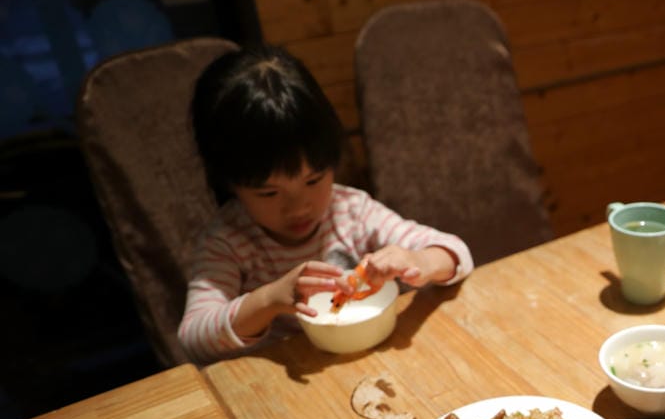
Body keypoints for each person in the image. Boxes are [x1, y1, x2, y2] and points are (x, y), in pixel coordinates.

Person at [178, 44, 472, 363]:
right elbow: (193, 338)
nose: (299, 206)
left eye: (313, 180)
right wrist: (269, 299)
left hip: (376, 358)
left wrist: (420, 262)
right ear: (230, 183)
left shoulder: (351, 210)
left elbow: (457, 253)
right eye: (269, 193)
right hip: (287, 379)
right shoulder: (229, 242)